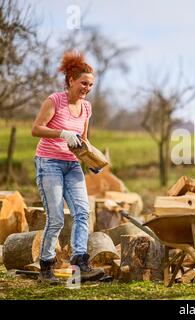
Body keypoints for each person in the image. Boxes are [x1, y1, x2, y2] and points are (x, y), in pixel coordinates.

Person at [31, 51, 105, 284]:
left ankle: (80, 262)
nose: (87, 88)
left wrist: (92, 160)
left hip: (72, 164)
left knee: (83, 212)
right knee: (55, 218)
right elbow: (36, 129)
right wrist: (62, 133)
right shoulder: (55, 101)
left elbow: (82, 140)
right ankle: (46, 266)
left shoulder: (87, 108)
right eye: (84, 83)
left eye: (91, 84)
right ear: (71, 80)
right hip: (49, 162)